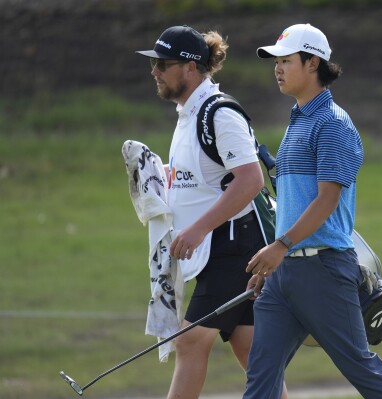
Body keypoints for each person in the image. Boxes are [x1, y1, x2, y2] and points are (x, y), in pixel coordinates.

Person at [244, 23, 382, 399]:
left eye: (286, 60)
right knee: (260, 376)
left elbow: (327, 200)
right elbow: (295, 202)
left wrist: (280, 246)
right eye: (276, 61)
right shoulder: (297, 121)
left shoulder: (333, 124)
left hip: (323, 269)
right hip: (285, 273)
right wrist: (275, 261)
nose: (278, 68)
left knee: (361, 368)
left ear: (313, 62)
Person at [136, 25, 287, 399]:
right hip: (218, 251)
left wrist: (198, 229)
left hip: (235, 248)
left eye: (162, 63)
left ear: (189, 67)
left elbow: (250, 180)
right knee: (252, 353)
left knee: (190, 343)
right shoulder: (188, 114)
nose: (154, 70)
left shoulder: (218, 114)